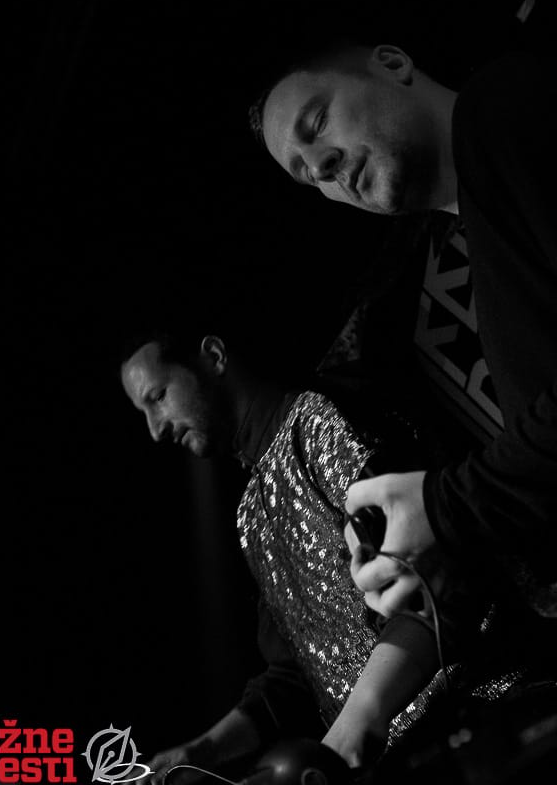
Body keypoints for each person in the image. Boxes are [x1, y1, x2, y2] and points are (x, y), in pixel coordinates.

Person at [119, 320, 528, 784]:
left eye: (158, 397)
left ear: (213, 357)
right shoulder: (250, 514)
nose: (155, 430)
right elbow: (293, 675)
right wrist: (201, 752)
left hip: (485, 730)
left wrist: (344, 739)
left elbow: (436, 583)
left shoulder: (317, 422)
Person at [248, 7, 557, 621]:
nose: (324, 169)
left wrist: (446, 508)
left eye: (318, 122)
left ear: (393, 64)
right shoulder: (483, 239)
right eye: (308, 177)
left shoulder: (504, 109)